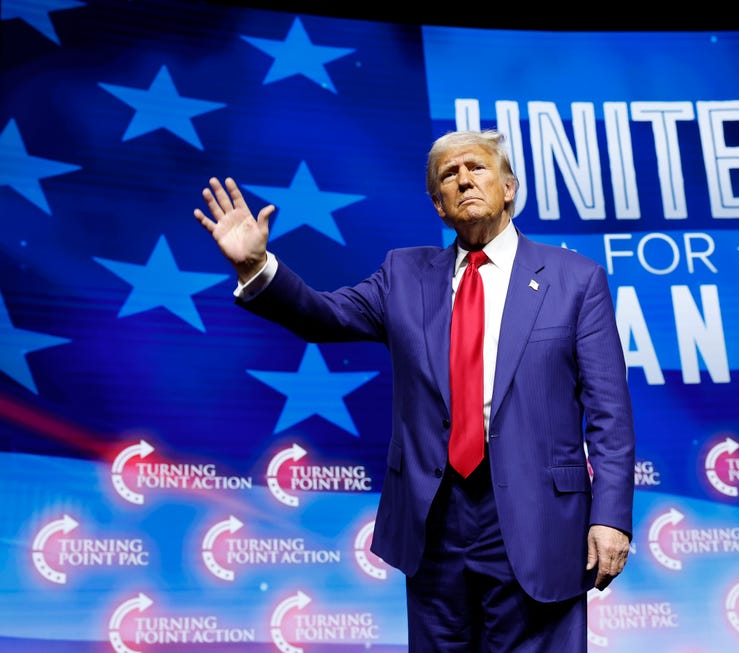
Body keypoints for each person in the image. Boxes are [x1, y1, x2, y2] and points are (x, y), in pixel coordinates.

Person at [193, 129, 636, 652]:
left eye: (477, 167)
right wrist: (254, 264)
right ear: (439, 206)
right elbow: (323, 316)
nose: (464, 178)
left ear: (509, 187)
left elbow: (609, 413)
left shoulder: (575, 279)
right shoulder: (403, 275)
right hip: (435, 521)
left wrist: (610, 516)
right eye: (450, 174)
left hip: (540, 519)